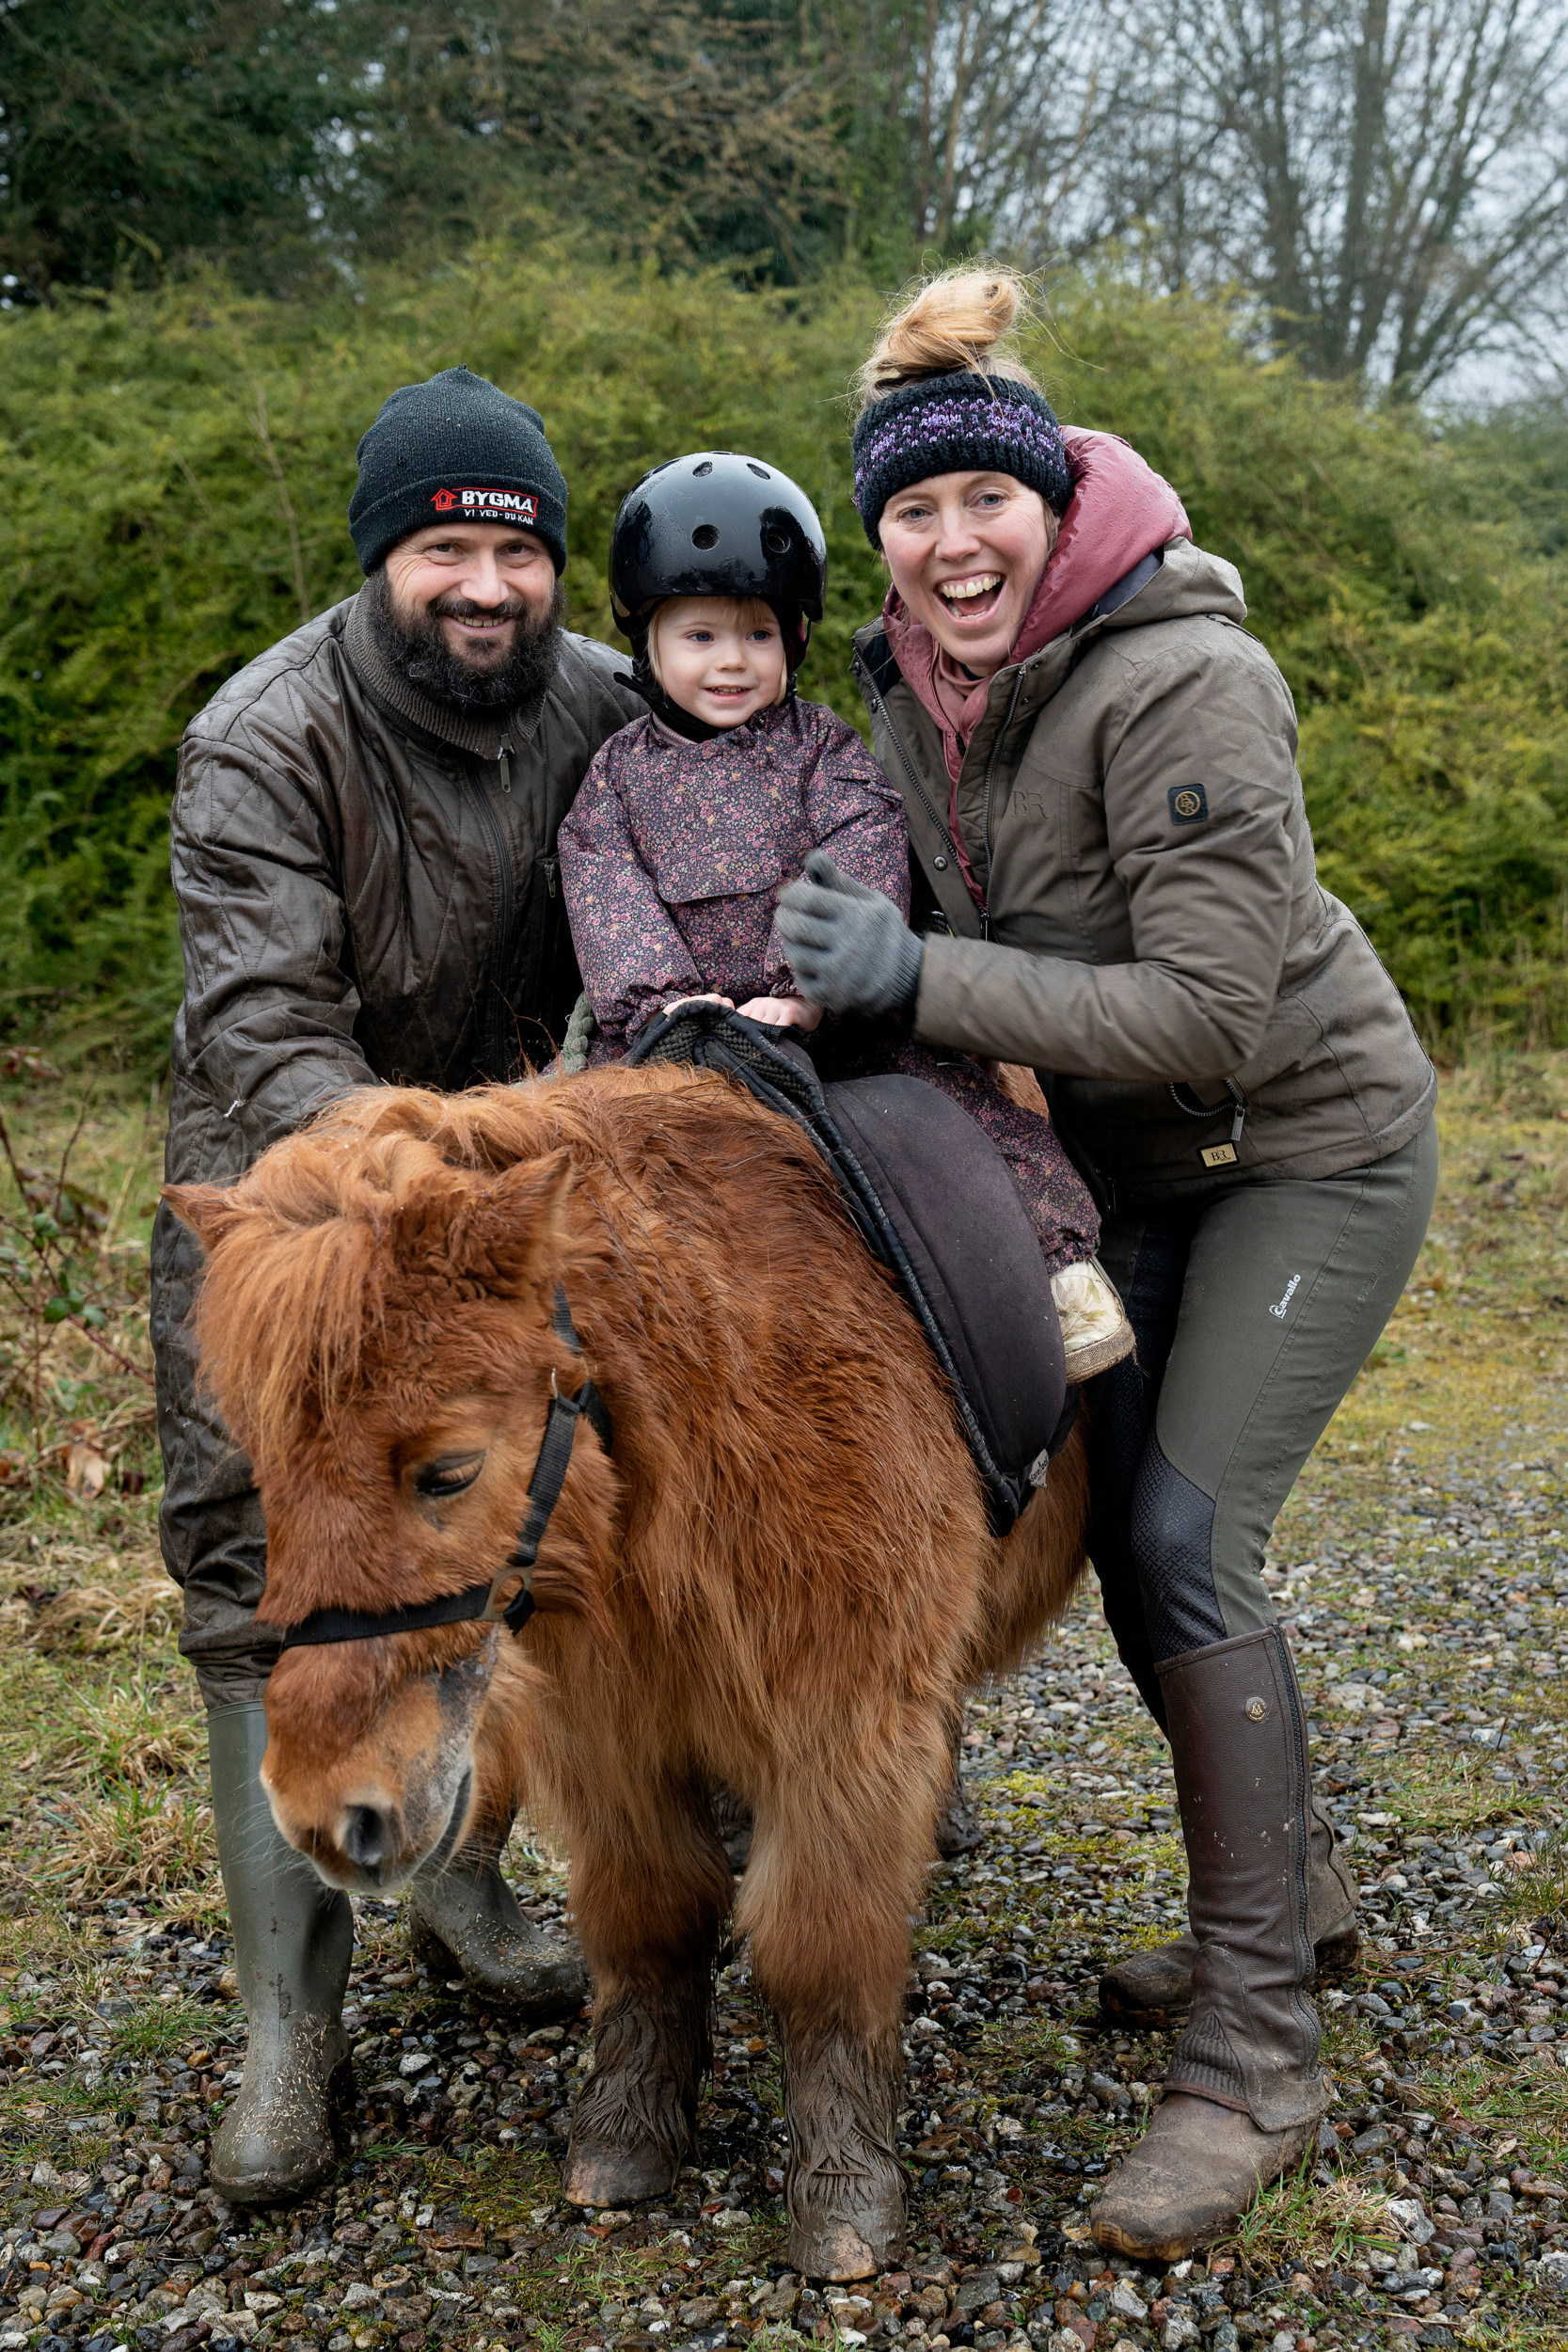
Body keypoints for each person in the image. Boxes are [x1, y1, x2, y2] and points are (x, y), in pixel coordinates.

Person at [775, 270, 1438, 2257]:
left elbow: (1210, 1010)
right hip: (1122, 1172)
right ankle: (1288, 1902)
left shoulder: (1181, 679)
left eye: (985, 499)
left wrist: (918, 976)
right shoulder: (910, 687)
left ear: (1050, 503)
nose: (950, 543)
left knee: (1177, 1534)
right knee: (1113, 1524)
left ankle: (1254, 2060)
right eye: (910, 512)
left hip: (1304, 1148)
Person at [150, 366, 644, 2204]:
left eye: (517, 551)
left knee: (493, 1522)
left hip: (488, 1213)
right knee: (256, 1581)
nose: (485, 586)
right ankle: (291, 2032)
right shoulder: (264, 737)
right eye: (445, 550)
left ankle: (461, 1878)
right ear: (383, 560)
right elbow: (264, 1024)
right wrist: (435, 1198)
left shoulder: (605, 700)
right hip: (283, 1213)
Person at [558, 450, 1128, 1373]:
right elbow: (604, 885)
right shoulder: (617, 776)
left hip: (832, 1027)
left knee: (961, 1111)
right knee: (565, 1146)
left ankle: (1057, 1271)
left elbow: (862, 848)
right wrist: (660, 1001)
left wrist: (803, 988)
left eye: (757, 635)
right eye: (699, 636)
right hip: (675, 1034)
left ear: (792, 641)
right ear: (647, 645)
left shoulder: (823, 750)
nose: (731, 662)